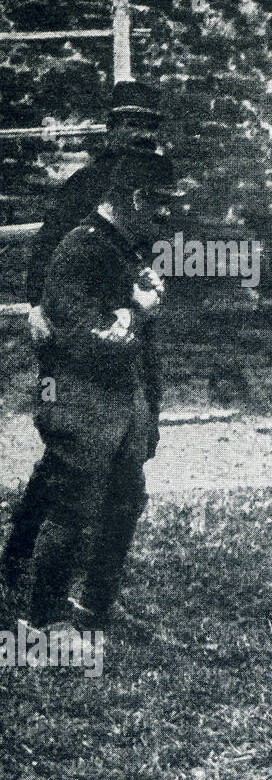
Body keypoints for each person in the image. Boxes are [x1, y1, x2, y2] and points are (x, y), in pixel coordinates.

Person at [1, 80, 164, 596]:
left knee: (129, 451)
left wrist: (144, 299)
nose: (139, 135)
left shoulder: (152, 188)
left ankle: (91, 582)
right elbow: (48, 254)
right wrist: (36, 309)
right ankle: (23, 557)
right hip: (78, 334)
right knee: (69, 459)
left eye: (148, 127)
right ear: (112, 129)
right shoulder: (84, 189)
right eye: (130, 124)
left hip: (129, 330)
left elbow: (152, 256)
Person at [20, 149, 177, 628]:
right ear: (135, 198)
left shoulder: (119, 247)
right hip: (80, 400)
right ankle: (44, 622)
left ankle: (94, 608)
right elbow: (86, 339)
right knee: (74, 506)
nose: (167, 214)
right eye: (161, 203)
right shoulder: (82, 246)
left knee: (126, 499)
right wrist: (139, 310)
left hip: (116, 402)